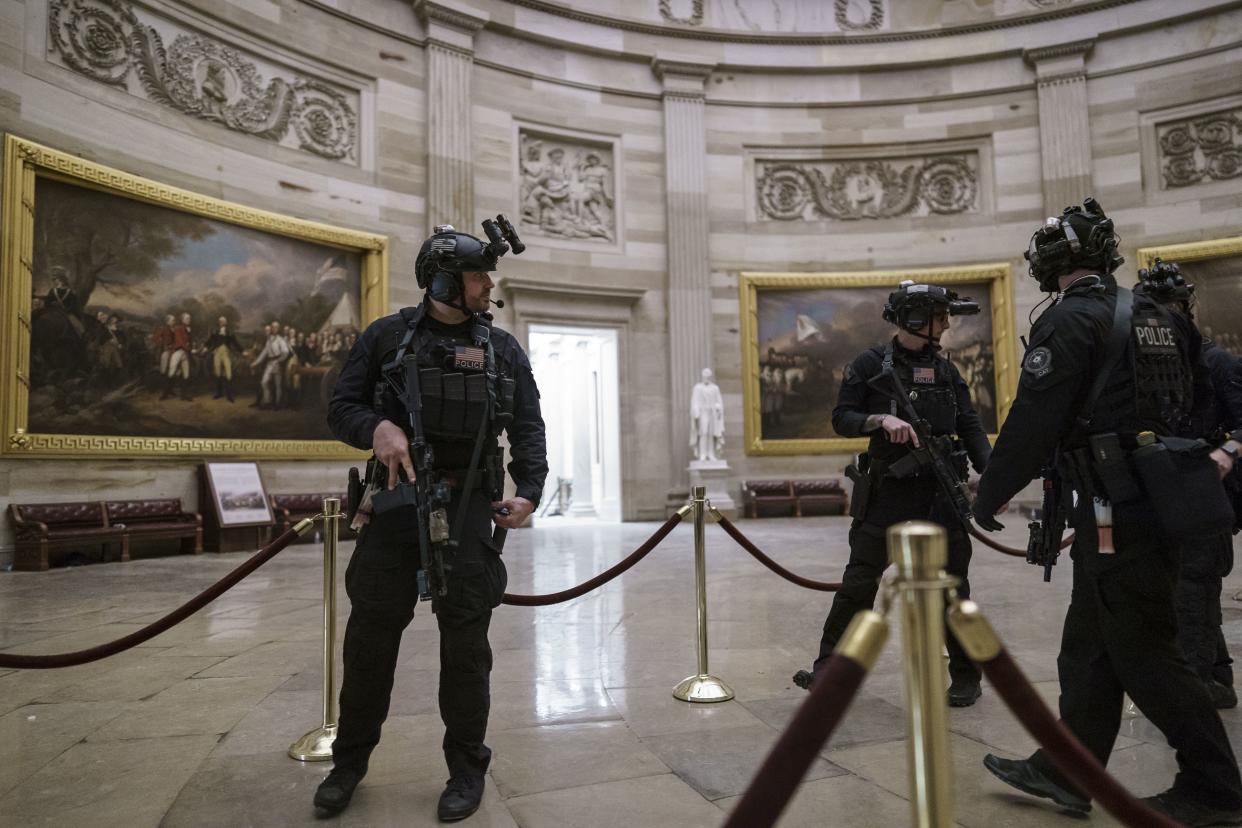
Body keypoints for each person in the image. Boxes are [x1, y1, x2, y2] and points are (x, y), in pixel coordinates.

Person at [972, 198, 1242, 826]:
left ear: (1056, 258)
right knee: (1088, 649)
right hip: (1156, 502)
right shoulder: (1159, 315)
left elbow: (1032, 420)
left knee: (1147, 654)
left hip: (1115, 510)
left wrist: (989, 495)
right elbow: (1199, 406)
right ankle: (1065, 770)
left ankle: (1216, 787)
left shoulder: (1070, 320)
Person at [314, 220, 546, 822]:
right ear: (443, 278)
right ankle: (349, 764)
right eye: (477, 275)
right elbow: (342, 407)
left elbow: (527, 427)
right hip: (394, 503)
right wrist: (378, 428)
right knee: (369, 643)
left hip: (470, 506)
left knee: (466, 649)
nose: (487, 285)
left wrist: (531, 491)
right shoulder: (387, 337)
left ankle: (466, 770)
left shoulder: (502, 349)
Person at [792, 281, 990, 707]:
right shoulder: (868, 365)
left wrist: (991, 478)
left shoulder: (946, 370)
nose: (946, 324)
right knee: (859, 583)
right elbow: (842, 418)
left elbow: (970, 425)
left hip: (940, 493)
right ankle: (830, 670)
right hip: (888, 494)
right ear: (916, 320)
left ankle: (966, 677)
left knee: (953, 588)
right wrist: (879, 420)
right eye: (939, 317)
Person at [1137, 259, 1241, 710]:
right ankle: (1217, 681)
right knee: (1192, 589)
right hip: (1174, 494)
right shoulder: (1157, 368)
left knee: (1193, 591)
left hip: (1208, 494)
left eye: (1169, 307)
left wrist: (1229, 450)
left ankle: (1195, 695)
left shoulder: (1218, 363)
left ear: (1185, 307)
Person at [250, 320, 291, 409]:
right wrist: (255, 363)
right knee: (264, 382)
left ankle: (277, 404)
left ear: (278, 329)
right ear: (271, 328)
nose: (274, 329)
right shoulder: (269, 340)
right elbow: (264, 353)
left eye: (276, 327)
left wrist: (279, 360)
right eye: (273, 327)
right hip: (270, 364)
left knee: (278, 385)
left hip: (277, 364)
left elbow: (285, 352)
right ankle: (267, 402)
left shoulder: (280, 340)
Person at [204, 316, 243, 402]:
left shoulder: (230, 333)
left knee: (228, 373)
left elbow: (235, 343)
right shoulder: (215, 332)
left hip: (226, 353)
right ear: (219, 322)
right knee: (217, 372)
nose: (222, 322)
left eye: (223, 321)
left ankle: (229, 395)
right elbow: (210, 341)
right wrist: (205, 348)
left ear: (226, 322)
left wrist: (242, 350)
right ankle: (219, 393)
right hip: (217, 353)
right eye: (220, 321)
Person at [690, 367, 725, 462]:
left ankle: (711, 453)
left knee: (711, 433)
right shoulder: (697, 387)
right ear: (702, 376)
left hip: (712, 412)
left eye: (708, 376)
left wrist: (718, 406)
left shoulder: (715, 388)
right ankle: (702, 454)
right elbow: (694, 401)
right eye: (705, 376)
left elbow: (719, 401)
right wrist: (696, 410)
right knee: (703, 432)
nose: (707, 377)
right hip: (703, 412)